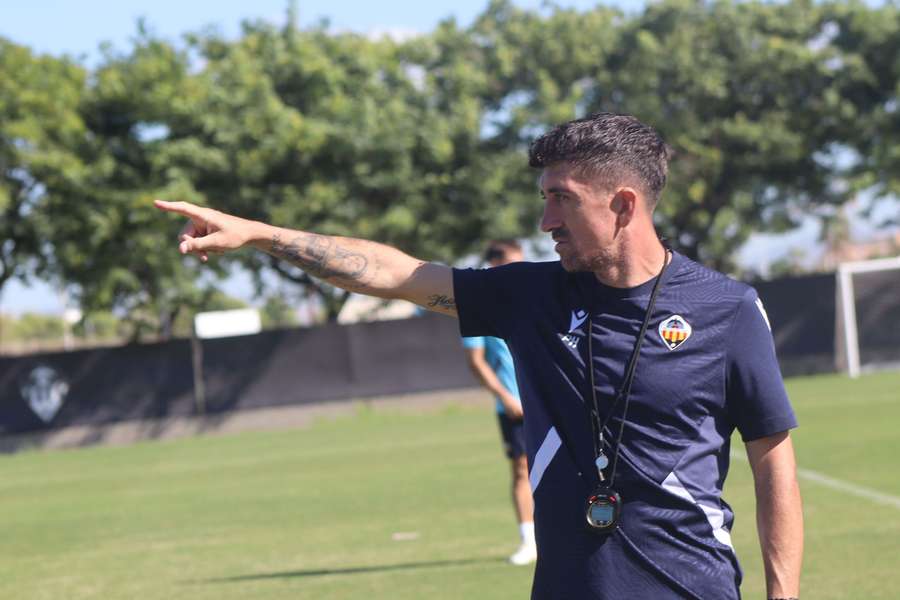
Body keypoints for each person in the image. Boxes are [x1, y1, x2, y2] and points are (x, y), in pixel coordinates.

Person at [155, 112, 803, 600]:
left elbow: (774, 468)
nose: (545, 220)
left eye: (562, 198)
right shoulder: (527, 296)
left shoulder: (728, 310)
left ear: (623, 205)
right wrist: (260, 234)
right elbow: (393, 273)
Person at [461, 239, 536, 566]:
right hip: (514, 407)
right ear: (493, 265)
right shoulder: (481, 307)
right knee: (522, 470)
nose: (517, 270)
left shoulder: (535, 299)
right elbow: (476, 362)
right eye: (510, 263)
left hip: (546, 402)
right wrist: (506, 398)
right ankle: (529, 541)